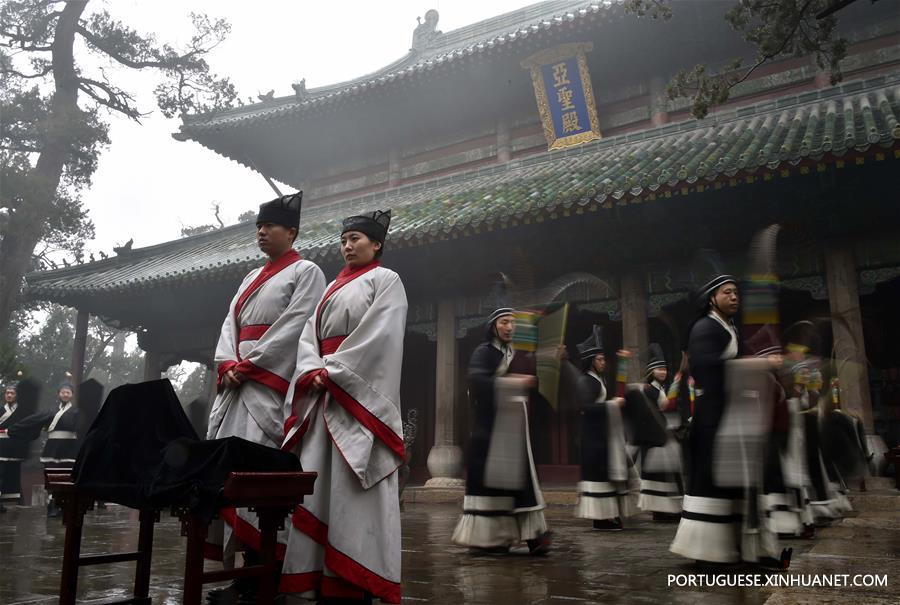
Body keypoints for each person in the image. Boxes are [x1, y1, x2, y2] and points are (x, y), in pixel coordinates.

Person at [279, 210, 407, 604]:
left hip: (355, 401)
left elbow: (381, 338)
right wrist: (312, 369)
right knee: (317, 488)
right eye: (344, 240)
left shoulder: (386, 281)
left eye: (356, 239)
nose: (348, 246)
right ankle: (313, 577)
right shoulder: (331, 287)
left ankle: (353, 580)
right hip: (323, 397)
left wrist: (332, 371)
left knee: (353, 491)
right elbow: (306, 338)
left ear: (377, 244)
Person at [205, 192, 325, 596]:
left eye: (270, 226)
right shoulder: (247, 278)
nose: (261, 232)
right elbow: (228, 326)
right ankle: (242, 572)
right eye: (258, 226)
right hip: (238, 384)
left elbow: (295, 325)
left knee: (261, 480)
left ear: (291, 232)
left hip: (269, 388)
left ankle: (265, 570)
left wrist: (252, 365)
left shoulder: (307, 272)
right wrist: (226, 364)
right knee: (230, 477)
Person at [451, 306, 553, 554]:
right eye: (504, 322)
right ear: (493, 326)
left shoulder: (514, 353)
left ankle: (533, 535)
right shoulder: (483, 352)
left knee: (521, 480)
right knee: (492, 483)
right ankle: (487, 538)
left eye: (513, 323)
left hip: (516, 428)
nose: (509, 327)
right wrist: (511, 383)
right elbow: (477, 382)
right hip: (489, 429)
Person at [670, 274, 743, 563]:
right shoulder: (704, 327)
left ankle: (729, 545)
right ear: (712, 298)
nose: (735, 297)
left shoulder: (728, 327)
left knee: (727, 480)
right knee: (710, 478)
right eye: (728, 292)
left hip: (728, 413)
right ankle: (705, 550)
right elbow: (703, 367)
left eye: (737, 292)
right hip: (711, 414)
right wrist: (749, 367)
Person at [572, 326, 633, 531]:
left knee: (606, 476)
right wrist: (612, 405)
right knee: (599, 477)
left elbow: (619, 390)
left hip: (603, 434)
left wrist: (623, 363)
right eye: (599, 359)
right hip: (593, 437)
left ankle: (607, 515)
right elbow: (585, 407)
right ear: (590, 361)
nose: (603, 362)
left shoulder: (599, 379)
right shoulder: (585, 381)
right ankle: (601, 517)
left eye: (604, 359)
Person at [637, 343, 683, 521]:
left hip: (664, 438)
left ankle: (668, 510)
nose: (663, 372)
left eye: (664, 368)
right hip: (655, 440)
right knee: (660, 477)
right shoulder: (648, 390)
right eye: (658, 369)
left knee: (668, 475)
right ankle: (661, 511)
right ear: (651, 371)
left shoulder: (662, 388)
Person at [0, 379, 30, 511]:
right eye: (7, 393)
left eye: (12, 393)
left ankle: (13, 499)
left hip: (14, 446)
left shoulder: (21, 411)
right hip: (1, 444)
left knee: (13, 473)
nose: (9, 395)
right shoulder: (1, 410)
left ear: (16, 395)